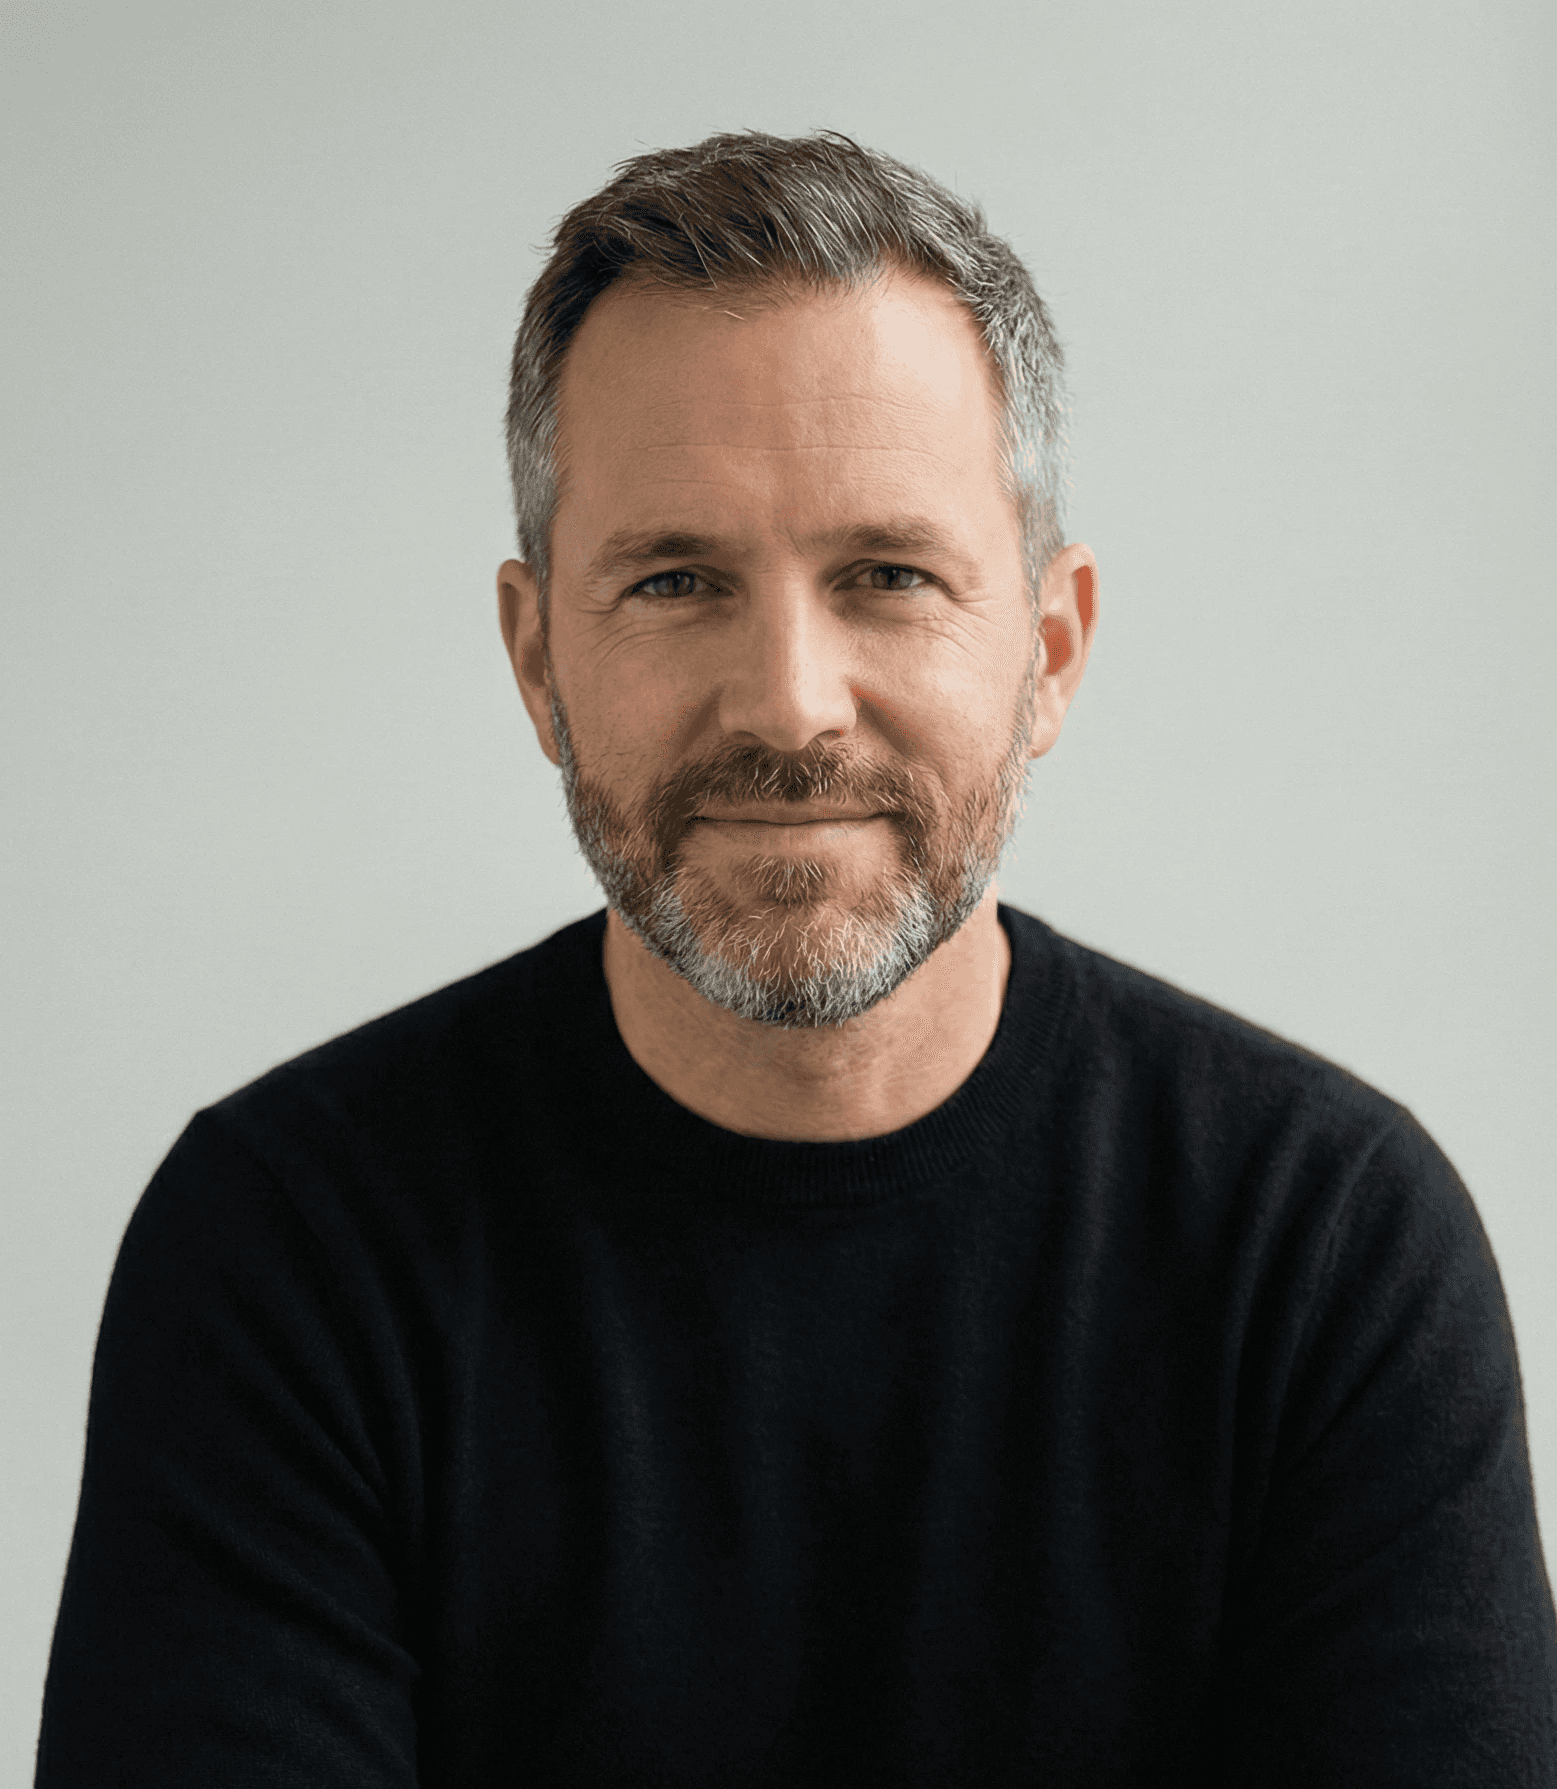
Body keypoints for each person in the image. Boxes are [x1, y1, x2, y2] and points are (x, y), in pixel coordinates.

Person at [36, 129, 1557, 1787]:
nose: (788, 703)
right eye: (678, 580)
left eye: (887, 576)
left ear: (1048, 653)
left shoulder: (1322, 1256)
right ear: (539, 660)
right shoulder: (291, 1250)